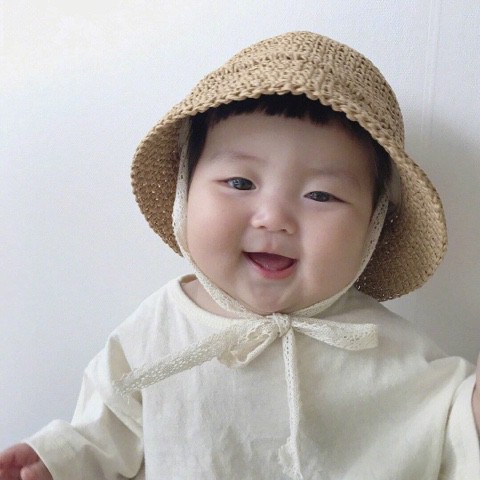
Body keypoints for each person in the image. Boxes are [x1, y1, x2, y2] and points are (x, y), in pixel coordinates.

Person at [0, 31, 479, 480]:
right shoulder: (158, 331)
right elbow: (104, 429)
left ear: (373, 226)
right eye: (240, 182)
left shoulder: (382, 344)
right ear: (186, 191)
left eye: (321, 195)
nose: (273, 218)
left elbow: (451, 427)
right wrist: (59, 460)